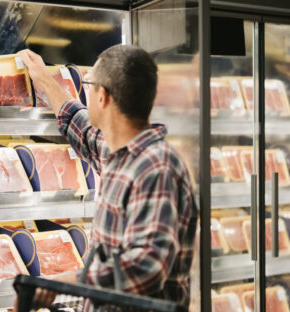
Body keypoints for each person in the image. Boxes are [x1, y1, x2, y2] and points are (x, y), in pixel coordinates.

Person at [16, 45, 198, 311]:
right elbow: (81, 126)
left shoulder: (156, 168)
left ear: (102, 96)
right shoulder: (119, 153)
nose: (86, 92)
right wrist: (44, 80)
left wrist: (66, 283)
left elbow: (146, 269)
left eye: (89, 85)